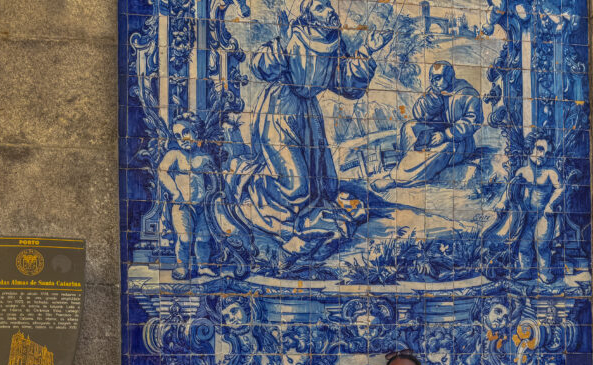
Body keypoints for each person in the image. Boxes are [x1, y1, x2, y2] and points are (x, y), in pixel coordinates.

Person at [225, 0, 393, 256]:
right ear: (308, 16)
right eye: (320, 7)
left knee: (326, 186)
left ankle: (302, 216)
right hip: (279, 112)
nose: (330, 10)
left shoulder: (334, 41)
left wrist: (368, 49)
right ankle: (249, 183)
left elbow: (346, 84)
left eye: (328, 5)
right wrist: (281, 46)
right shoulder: (293, 36)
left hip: (308, 117)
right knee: (297, 187)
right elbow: (260, 67)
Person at [371, 61, 483, 192]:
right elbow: (418, 115)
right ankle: (407, 164)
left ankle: (396, 179)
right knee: (410, 126)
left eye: (437, 78)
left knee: (445, 147)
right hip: (437, 133)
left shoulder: (468, 93)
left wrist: (446, 135)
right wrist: (432, 98)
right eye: (431, 78)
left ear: (449, 76)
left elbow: (472, 122)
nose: (433, 82)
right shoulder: (435, 91)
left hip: (459, 142)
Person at [480, 132, 564, 282]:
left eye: (546, 152)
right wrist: (502, 203)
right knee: (524, 245)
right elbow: (511, 189)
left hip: (544, 215)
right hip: (525, 216)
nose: (542, 155)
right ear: (530, 148)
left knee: (542, 245)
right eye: (539, 149)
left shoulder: (550, 172)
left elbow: (561, 188)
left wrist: (551, 205)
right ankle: (525, 271)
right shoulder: (522, 172)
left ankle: (544, 273)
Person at [157, 115, 214, 280]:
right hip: (181, 205)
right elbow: (162, 172)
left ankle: (203, 266)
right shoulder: (174, 154)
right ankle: (181, 266)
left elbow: (214, 180)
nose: (182, 138)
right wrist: (175, 192)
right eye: (177, 136)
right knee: (184, 238)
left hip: (202, 206)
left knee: (203, 238)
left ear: (196, 131)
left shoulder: (205, 157)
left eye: (186, 132)